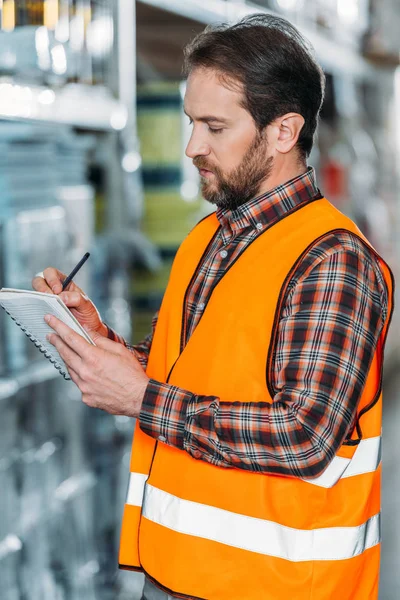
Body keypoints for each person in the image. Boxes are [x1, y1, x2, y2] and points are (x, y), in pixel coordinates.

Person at [33, 14, 394, 600]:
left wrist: (142, 399)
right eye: (190, 122)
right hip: (177, 572)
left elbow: (304, 435)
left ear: (284, 132)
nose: (192, 147)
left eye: (214, 127)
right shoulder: (210, 236)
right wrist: (105, 345)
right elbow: (197, 374)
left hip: (276, 586)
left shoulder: (331, 261)